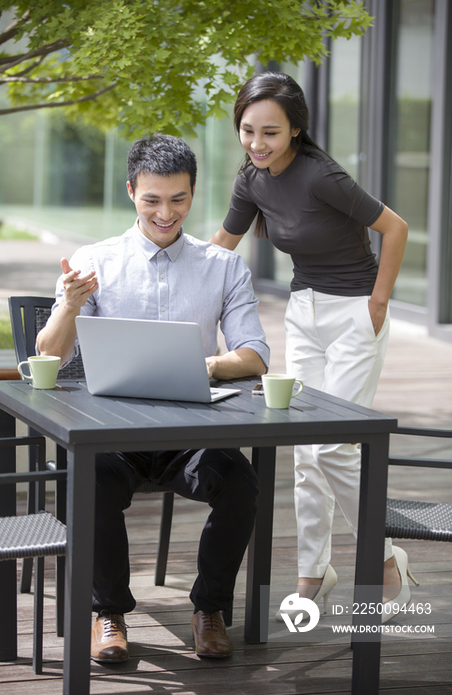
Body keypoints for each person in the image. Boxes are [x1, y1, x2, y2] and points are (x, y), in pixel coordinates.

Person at [37, 133, 270, 662]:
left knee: (240, 483)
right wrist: (70, 306)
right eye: (152, 199)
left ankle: (209, 608)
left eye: (179, 199)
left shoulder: (224, 266)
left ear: (192, 194)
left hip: (191, 437)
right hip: (110, 436)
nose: (166, 213)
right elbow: (49, 357)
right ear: (130, 192)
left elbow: (254, 355)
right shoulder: (94, 262)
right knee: (88, 481)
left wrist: (198, 364)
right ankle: (109, 612)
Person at [209, 71, 412, 623]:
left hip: (353, 315)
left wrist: (378, 302)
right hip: (303, 314)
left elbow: (395, 229)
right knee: (302, 449)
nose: (257, 143)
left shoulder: (322, 176)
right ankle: (313, 570)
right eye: (247, 130)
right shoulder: (251, 179)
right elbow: (221, 249)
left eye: (270, 132)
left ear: (296, 129)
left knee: (333, 448)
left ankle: (386, 559)